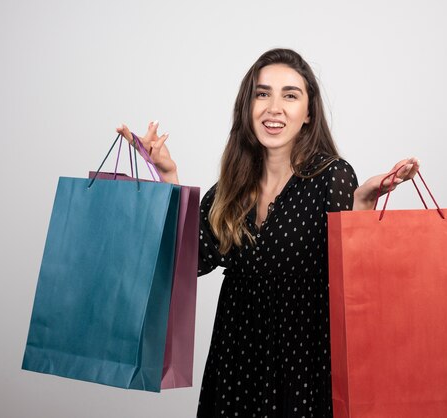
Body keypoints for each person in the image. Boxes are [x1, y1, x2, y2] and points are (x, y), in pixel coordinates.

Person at [117, 48, 418, 417]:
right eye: (263, 94)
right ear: (248, 107)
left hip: (303, 365)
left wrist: (362, 206)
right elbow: (188, 262)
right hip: (235, 361)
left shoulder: (333, 176)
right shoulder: (230, 186)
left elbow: (352, 277)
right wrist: (168, 177)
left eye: (290, 95)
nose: (274, 107)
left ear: (308, 113)